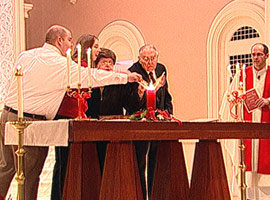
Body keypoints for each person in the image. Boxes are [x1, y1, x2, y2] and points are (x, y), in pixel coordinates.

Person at [0, 25, 141, 200]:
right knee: (29, 174)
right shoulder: (60, 64)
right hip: (29, 122)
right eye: (69, 40)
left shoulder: (26, 55)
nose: (72, 45)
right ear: (59, 41)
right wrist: (126, 77)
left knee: (5, 168)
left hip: (6, 114)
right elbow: (92, 76)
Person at [128, 44, 173, 199]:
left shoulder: (161, 69)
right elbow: (129, 104)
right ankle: (140, 196)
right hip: (140, 123)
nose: (149, 62)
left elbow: (166, 95)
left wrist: (168, 115)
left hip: (159, 122)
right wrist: (139, 95)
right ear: (139, 60)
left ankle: (156, 195)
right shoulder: (133, 72)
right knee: (140, 162)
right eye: (145, 59)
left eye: (152, 58)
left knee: (157, 160)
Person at [242, 43, 270, 199]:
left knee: (265, 164)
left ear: (266, 56)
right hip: (249, 128)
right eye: (253, 54)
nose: (255, 58)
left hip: (266, 126)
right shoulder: (243, 74)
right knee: (249, 166)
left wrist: (268, 101)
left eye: (259, 54)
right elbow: (233, 96)